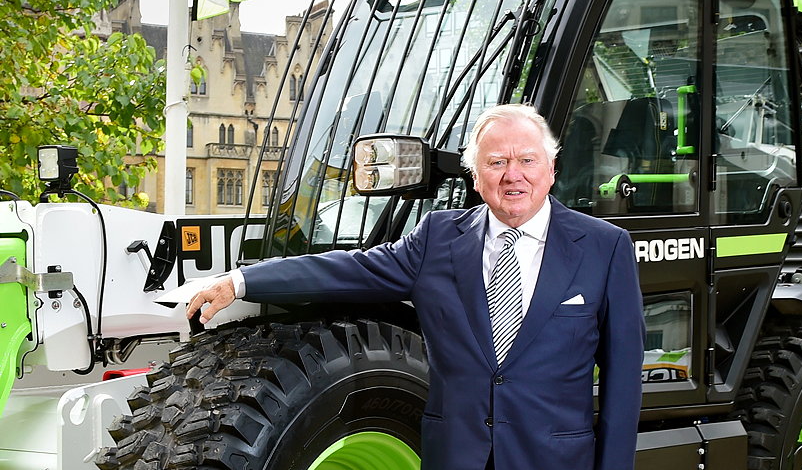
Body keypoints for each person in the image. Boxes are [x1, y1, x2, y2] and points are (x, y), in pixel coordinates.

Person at [188, 104, 644, 470]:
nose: (513, 175)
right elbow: (347, 270)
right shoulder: (438, 238)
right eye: (497, 162)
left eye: (527, 160)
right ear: (476, 175)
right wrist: (241, 281)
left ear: (551, 168)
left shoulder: (604, 248)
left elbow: (623, 387)